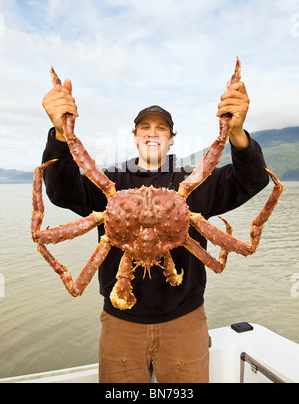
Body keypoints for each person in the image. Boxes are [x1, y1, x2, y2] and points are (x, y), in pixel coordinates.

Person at [41, 74, 269, 383]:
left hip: (184, 322)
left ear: (172, 137)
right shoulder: (110, 183)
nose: (152, 134)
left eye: (161, 128)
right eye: (145, 128)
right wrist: (59, 131)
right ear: (135, 136)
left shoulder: (195, 182)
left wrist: (237, 132)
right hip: (120, 324)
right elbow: (62, 191)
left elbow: (251, 180)